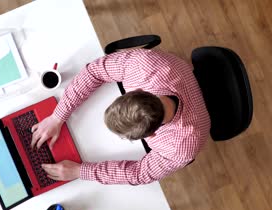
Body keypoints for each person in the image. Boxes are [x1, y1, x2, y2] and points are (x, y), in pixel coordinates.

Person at [30, 48, 211, 185]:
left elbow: (139, 174)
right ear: (137, 91)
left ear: (151, 136)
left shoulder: (182, 147)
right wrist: (57, 117)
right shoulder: (143, 65)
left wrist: (80, 171)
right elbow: (94, 72)